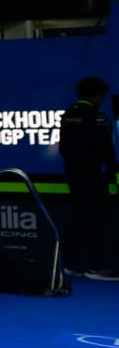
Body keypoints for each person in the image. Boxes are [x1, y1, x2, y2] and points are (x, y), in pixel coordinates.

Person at [60, 76, 116, 280]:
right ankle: (96, 266)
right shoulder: (95, 116)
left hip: (74, 175)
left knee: (78, 219)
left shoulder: (68, 114)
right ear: (98, 95)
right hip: (93, 175)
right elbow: (105, 149)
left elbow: (63, 148)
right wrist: (111, 171)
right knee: (98, 219)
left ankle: (71, 264)